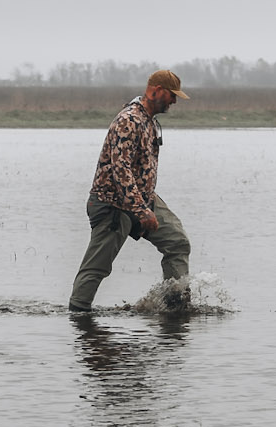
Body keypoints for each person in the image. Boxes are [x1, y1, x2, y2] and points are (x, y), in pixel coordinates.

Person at [69, 70, 192, 313]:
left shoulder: (148, 121)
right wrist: (141, 210)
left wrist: (144, 205)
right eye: (171, 95)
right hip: (112, 204)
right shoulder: (129, 120)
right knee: (97, 266)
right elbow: (120, 169)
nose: (174, 101)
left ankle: (176, 307)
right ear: (156, 90)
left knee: (177, 242)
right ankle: (78, 314)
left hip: (143, 199)